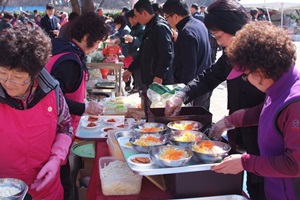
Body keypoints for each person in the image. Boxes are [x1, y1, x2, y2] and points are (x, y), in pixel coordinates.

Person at [164, 0, 266, 199]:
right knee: (251, 185)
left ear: (235, 29)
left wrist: (232, 120)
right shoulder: (231, 53)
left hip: (264, 136)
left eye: (219, 37)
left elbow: (274, 105)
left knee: (263, 186)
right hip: (242, 133)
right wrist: (182, 96)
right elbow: (210, 76)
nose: (219, 43)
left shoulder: (264, 55)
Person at [209, 21, 299, 200]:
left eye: (246, 75)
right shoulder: (281, 84)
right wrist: (230, 121)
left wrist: (245, 162)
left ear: (261, 70)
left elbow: (295, 165)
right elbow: (265, 111)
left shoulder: (295, 104)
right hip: (275, 186)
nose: (246, 80)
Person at [0, 26, 73, 199]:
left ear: (35, 74)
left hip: (47, 188)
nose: (8, 83)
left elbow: (65, 126)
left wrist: (56, 160)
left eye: (18, 77)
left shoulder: (52, 91)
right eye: (2, 73)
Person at [45, 12, 109, 200]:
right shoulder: (70, 61)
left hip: (57, 132)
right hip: (56, 134)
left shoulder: (59, 46)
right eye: (96, 42)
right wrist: (85, 107)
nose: (96, 47)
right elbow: (54, 100)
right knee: (62, 183)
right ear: (87, 37)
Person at [122, 0, 174, 113]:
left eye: (136, 15)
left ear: (144, 13)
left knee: (160, 111)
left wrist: (159, 75)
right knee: (150, 109)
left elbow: (167, 54)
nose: (136, 19)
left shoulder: (159, 27)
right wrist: (130, 69)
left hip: (159, 81)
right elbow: (142, 54)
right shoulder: (149, 27)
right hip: (150, 78)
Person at [163, 0, 212, 110]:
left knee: (190, 123)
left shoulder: (186, 32)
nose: (167, 21)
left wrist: (183, 94)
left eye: (166, 17)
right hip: (204, 83)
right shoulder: (199, 24)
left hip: (194, 89)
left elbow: (189, 68)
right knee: (201, 120)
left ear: (175, 16)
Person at [124, 9, 145, 93]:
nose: (129, 21)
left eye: (129, 19)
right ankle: (136, 87)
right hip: (134, 57)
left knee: (138, 76)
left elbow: (141, 42)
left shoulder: (141, 29)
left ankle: (138, 89)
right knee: (135, 74)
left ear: (134, 18)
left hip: (138, 58)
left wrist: (133, 39)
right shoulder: (134, 28)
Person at [110, 15, 132, 91]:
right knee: (127, 68)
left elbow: (124, 42)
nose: (115, 26)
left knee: (128, 69)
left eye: (116, 24)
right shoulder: (122, 30)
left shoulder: (125, 30)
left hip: (127, 53)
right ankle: (128, 84)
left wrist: (117, 43)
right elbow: (116, 35)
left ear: (120, 23)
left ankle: (128, 85)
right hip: (125, 53)